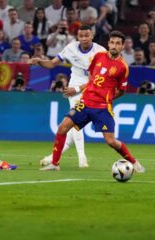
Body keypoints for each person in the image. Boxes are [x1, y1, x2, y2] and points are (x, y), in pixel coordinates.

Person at [32, 30, 146, 173]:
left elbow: (122, 90)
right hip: (85, 102)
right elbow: (92, 76)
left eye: (118, 43)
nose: (114, 46)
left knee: (111, 141)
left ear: (123, 46)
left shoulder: (123, 67)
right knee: (62, 128)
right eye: (112, 42)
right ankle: (55, 163)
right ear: (108, 43)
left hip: (103, 107)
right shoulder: (98, 56)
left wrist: (107, 99)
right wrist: (88, 90)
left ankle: (134, 162)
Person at [29, 25, 106, 168]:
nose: (83, 39)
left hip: (93, 88)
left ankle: (51, 158)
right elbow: (52, 63)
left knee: (71, 129)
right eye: (81, 36)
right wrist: (39, 61)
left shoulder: (101, 52)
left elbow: (99, 78)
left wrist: (77, 88)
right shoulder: (71, 48)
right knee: (76, 121)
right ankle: (82, 158)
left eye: (86, 35)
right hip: (75, 88)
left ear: (92, 35)